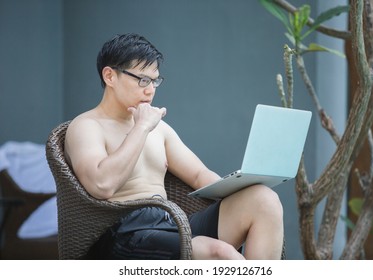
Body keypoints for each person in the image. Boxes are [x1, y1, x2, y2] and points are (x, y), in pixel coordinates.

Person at [64, 33, 284, 260]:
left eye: (155, 80)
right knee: (220, 253)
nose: (150, 90)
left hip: (170, 222)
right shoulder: (87, 126)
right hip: (125, 231)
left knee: (263, 200)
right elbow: (102, 185)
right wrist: (140, 128)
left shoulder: (159, 128)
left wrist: (240, 185)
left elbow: (199, 175)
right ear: (110, 76)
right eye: (142, 80)